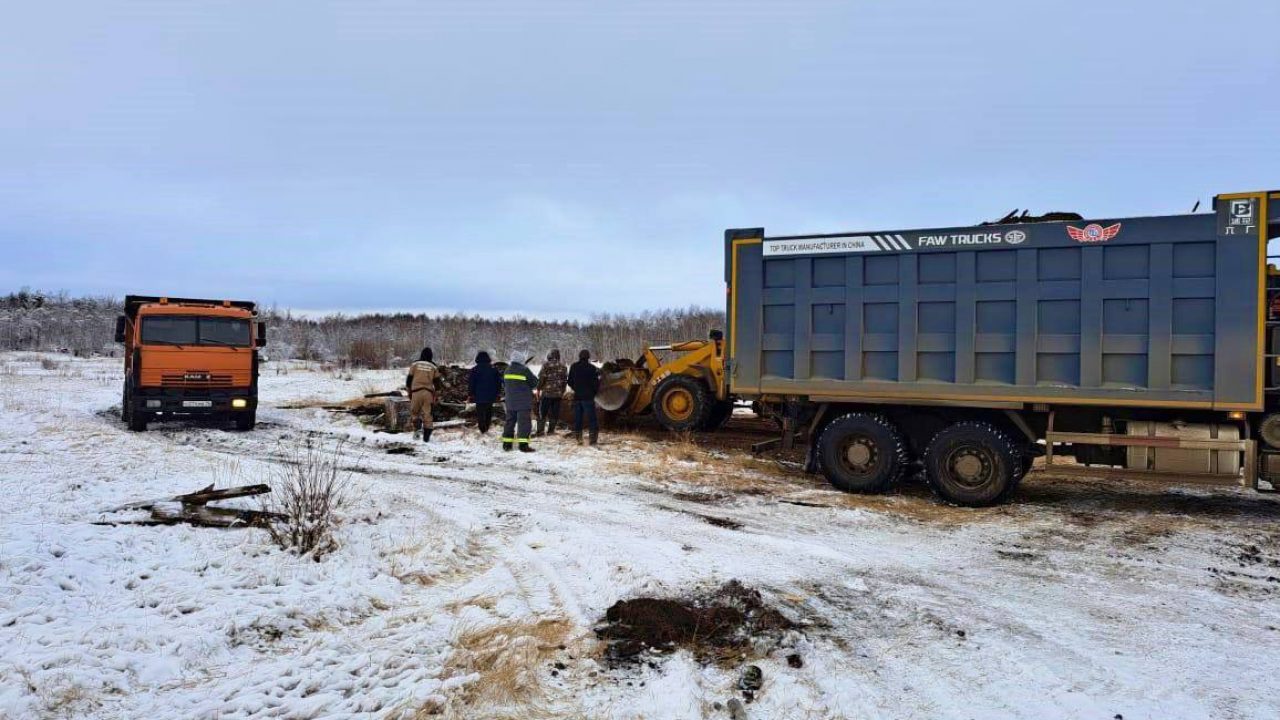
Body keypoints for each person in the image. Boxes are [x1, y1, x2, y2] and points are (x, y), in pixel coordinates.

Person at [501, 351, 538, 452]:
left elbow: (504, 384)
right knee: (524, 423)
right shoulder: (524, 370)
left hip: (510, 401)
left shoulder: (507, 370)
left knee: (509, 422)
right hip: (523, 402)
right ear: (521, 360)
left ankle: (507, 444)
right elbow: (535, 383)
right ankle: (523, 445)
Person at [406, 347, 443, 443]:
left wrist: (409, 392)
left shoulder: (414, 364)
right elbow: (437, 383)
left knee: (415, 412)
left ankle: (417, 427)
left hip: (416, 392)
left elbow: (409, 380)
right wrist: (437, 395)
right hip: (428, 393)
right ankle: (426, 438)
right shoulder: (433, 366)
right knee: (428, 415)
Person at [567, 349, 600, 446]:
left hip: (577, 397)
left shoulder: (574, 366)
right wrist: (593, 393)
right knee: (592, 419)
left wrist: (576, 388)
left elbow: (569, 381)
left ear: (579, 356)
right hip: (588, 397)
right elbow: (596, 384)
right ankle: (592, 440)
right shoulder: (592, 368)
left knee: (578, 418)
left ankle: (579, 439)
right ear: (588, 357)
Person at [535, 349, 567, 437]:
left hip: (546, 394)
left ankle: (540, 431)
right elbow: (564, 381)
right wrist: (562, 392)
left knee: (543, 412)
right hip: (558, 395)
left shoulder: (546, 365)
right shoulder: (563, 366)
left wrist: (538, 388)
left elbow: (541, 378)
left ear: (551, 355)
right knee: (554, 412)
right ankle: (551, 431)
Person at [467, 351, 501, 434]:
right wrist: (497, 393)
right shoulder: (493, 369)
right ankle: (487, 426)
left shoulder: (474, 370)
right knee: (489, 411)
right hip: (490, 395)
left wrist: (470, 394)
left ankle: (482, 428)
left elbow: (472, 383)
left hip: (479, 395)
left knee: (480, 412)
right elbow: (498, 383)